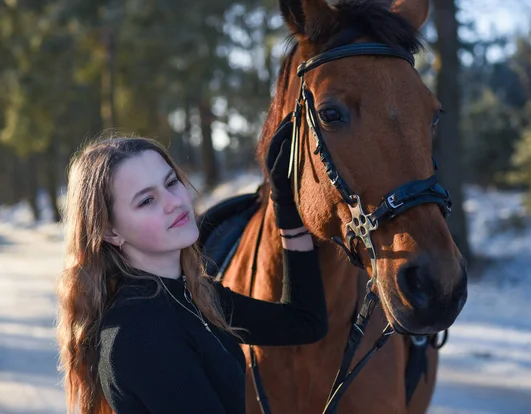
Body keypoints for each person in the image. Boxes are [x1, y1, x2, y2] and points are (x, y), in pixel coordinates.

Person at [56, 117, 328, 414]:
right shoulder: (140, 331)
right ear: (110, 231)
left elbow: (304, 323)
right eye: (147, 200)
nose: (173, 201)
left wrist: (285, 207)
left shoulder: (193, 295)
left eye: (171, 182)